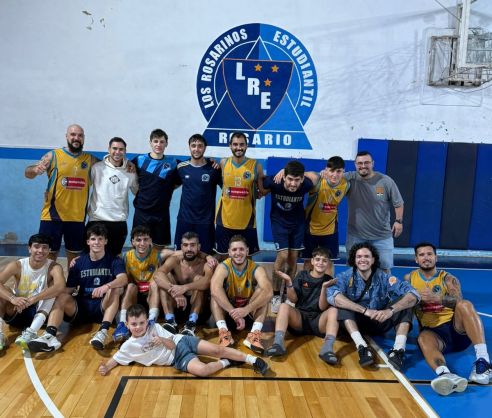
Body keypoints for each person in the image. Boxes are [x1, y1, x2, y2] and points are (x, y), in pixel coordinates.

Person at [405, 242, 491, 396]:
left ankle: (483, 362)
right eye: (422, 255)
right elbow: (406, 305)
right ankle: (445, 374)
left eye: (429, 254)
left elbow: (458, 301)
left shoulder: (448, 279)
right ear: (416, 259)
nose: (426, 258)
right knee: (422, 338)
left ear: (436, 257)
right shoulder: (410, 279)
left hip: (456, 330)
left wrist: (436, 298)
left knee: (465, 305)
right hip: (434, 336)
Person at [27, 224, 129, 352]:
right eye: (93, 239)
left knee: (115, 288)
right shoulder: (78, 263)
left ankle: (103, 332)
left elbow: (123, 279)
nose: (96, 242)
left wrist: (106, 286)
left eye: (100, 239)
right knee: (61, 295)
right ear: (88, 242)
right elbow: (70, 288)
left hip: (103, 306)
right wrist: (49, 293)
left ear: (106, 241)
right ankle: (50, 335)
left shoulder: (114, 260)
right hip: (82, 307)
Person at [98, 304, 269, 377]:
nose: (138, 327)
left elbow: (172, 344)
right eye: (134, 324)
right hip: (177, 359)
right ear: (127, 325)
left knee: (218, 350)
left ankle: (253, 360)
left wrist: (161, 340)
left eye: (141, 323)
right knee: (202, 371)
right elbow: (116, 358)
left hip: (181, 342)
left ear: (146, 321)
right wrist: (106, 367)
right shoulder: (129, 346)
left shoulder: (154, 327)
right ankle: (228, 362)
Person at [327, 242, 419, 370]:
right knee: (343, 304)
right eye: (359, 257)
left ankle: (398, 350)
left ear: (373, 259)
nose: (363, 259)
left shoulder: (384, 277)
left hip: (380, 320)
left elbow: (413, 294)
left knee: (405, 303)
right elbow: (332, 295)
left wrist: (390, 311)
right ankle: (362, 347)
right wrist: (365, 310)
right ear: (354, 259)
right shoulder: (345, 276)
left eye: (366, 256)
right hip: (356, 323)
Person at [25, 124, 97, 266]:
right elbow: (28, 173)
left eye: (80, 135)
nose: (76, 138)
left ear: (83, 138)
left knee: (75, 260)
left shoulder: (90, 160)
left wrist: (128, 164)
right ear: (66, 136)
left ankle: (71, 281)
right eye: (73, 134)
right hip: (52, 217)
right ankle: (49, 281)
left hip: (77, 218)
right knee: (48, 257)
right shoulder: (53, 156)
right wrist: (35, 169)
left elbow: (111, 165)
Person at [265, 247, 339, 365]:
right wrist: (289, 283)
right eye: (318, 259)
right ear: (312, 261)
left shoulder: (329, 281)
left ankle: (327, 349)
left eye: (324, 261)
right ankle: (278, 343)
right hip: (300, 319)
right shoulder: (302, 275)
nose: (321, 263)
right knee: (283, 306)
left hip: (318, 321)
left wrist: (324, 287)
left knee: (333, 310)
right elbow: (293, 299)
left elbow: (322, 307)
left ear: (328, 263)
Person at [0, 234, 65, 350]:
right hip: (17, 310)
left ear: (49, 250)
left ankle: (32, 332)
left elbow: (60, 286)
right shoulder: (17, 265)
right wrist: (12, 298)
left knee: (55, 290)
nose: (40, 250)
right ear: (29, 248)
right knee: (5, 291)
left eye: (44, 247)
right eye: (37, 246)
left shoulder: (54, 267)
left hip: (40, 314)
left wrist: (33, 299)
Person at [210, 235, 273, 354]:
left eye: (241, 249)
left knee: (263, 293)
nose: (238, 253)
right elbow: (214, 290)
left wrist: (246, 310)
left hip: (247, 313)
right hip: (228, 313)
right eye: (234, 250)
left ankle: (253, 335)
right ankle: (224, 333)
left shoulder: (256, 268)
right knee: (215, 295)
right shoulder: (223, 267)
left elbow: (269, 292)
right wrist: (234, 313)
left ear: (247, 251)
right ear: (229, 252)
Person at [261, 160, 315, 295]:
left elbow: (317, 176)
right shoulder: (275, 181)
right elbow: (260, 180)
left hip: (298, 224)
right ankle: (275, 294)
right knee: (283, 255)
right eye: (290, 179)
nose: (293, 183)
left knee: (293, 259)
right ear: (284, 177)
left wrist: (303, 174)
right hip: (279, 223)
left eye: (297, 180)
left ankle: (287, 292)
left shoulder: (306, 184)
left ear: (302, 179)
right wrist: (261, 192)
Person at [343, 151, 404, 271]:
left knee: (384, 270)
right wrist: (323, 173)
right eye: (360, 163)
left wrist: (398, 221)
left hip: (382, 236)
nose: (363, 166)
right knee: (353, 270)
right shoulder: (349, 178)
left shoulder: (385, 181)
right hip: (356, 236)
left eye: (366, 162)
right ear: (355, 164)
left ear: (373, 163)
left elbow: (398, 203)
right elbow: (331, 177)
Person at [153, 232, 215, 337]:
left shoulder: (205, 263)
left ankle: (191, 324)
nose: (189, 249)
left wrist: (184, 288)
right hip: (176, 305)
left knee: (199, 280)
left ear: (199, 247)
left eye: (192, 245)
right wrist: (175, 292)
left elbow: (207, 282)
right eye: (186, 245)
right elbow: (157, 275)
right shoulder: (175, 260)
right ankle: (170, 321)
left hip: (197, 309)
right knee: (165, 278)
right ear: (181, 247)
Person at [215, 132, 264, 259]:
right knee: (222, 257)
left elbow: (263, 190)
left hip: (247, 222)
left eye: (242, 144)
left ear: (246, 146)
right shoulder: (223, 163)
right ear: (230, 145)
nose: (238, 147)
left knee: (247, 258)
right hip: (224, 219)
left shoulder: (256, 166)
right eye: (235, 144)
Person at [86, 137, 138, 256]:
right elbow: (84, 187)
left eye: (121, 149)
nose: (117, 152)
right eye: (114, 148)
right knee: (93, 257)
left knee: (115, 258)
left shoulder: (130, 171)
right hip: (96, 220)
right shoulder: (97, 168)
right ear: (109, 149)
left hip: (118, 222)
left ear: (125, 151)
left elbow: (138, 192)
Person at [173, 134, 222, 255]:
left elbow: (226, 188)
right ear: (189, 147)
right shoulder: (181, 167)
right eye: (193, 145)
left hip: (205, 221)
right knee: (180, 255)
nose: (196, 149)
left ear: (205, 148)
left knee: (206, 256)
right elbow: (171, 186)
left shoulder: (214, 169)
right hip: (185, 220)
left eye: (200, 146)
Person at [113, 225, 162, 342]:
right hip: (135, 298)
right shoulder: (127, 256)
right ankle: (122, 324)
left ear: (150, 241)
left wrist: (204, 256)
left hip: (151, 296)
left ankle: (151, 322)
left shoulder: (158, 255)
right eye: (138, 240)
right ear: (133, 242)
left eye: (145, 239)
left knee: (155, 284)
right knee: (130, 286)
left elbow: (177, 254)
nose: (142, 243)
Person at [132, 129, 178, 252]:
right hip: (142, 212)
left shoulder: (173, 163)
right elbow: (127, 173)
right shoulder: (139, 160)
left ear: (166, 144)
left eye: (162, 142)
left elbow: (178, 181)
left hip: (161, 213)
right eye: (155, 141)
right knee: (139, 246)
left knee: (159, 249)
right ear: (150, 143)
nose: (158, 144)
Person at [304, 156, 349, 263]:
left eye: (339, 171)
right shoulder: (318, 181)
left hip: (330, 230)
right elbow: (300, 174)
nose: (335, 175)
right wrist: (284, 171)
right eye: (331, 171)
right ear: (326, 170)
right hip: (311, 229)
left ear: (343, 171)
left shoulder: (346, 184)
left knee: (329, 263)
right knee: (309, 262)